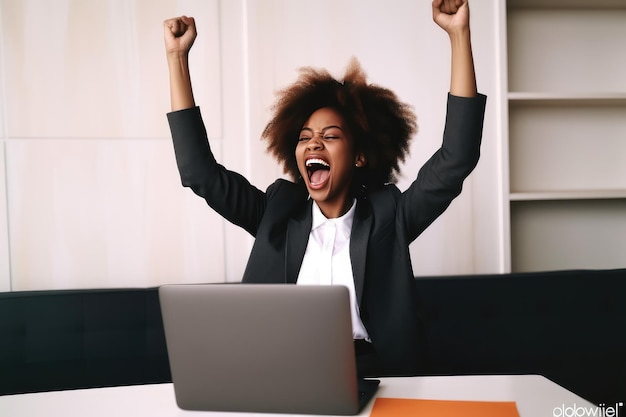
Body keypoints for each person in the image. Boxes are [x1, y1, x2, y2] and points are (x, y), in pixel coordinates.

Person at [163, 0, 486, 377]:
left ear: (360, 157)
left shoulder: (390, 216)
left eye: (330, 136)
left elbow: (456, 161)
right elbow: (200, 174)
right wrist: (176, 59)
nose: (313, 144)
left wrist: (459, 34)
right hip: (282, 371)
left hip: (374, 371)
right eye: (305, 138)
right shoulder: (276, 213)